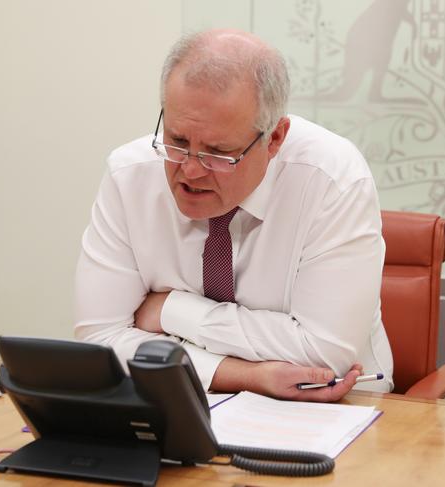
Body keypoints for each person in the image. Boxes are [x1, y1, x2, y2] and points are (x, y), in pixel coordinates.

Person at [74, 29, 393, 402]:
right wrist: (249, 376)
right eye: (177, 142)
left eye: (218, 153)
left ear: (274, 139)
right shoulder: (129, 176)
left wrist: (171, 311)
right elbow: (100, 341)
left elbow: (324, 353)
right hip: (178, 399)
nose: (190, 170)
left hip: (334, 405)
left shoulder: (332, 180)